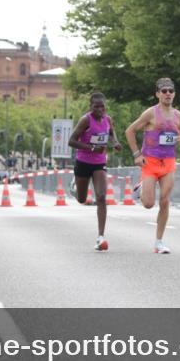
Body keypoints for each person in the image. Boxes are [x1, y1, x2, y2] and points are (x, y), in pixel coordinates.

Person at [124, 78, 180, 254]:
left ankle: (159, 242)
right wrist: (137, 154)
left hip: (168, 162)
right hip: (150, 162)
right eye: (164, 91)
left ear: (174, 93)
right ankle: (140, 187)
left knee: (165, 201)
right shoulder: (150, 113)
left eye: (170, 90)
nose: (168, 93)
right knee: (148, 204)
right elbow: (129, 131)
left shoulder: (178, 116)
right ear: (157, 94)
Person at [69, 91, 122, 251]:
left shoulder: (108, 119)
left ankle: (101, 236)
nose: (100, 109)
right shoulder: (86, 120)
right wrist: (92, 147)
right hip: (83, 162)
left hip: (99, 163)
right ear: (90, 106)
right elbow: (71, 141)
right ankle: (75, 186)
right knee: (81, 199)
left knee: (101, 196)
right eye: (96, 106)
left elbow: (111, 134)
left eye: (102, 106)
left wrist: (115, 143)